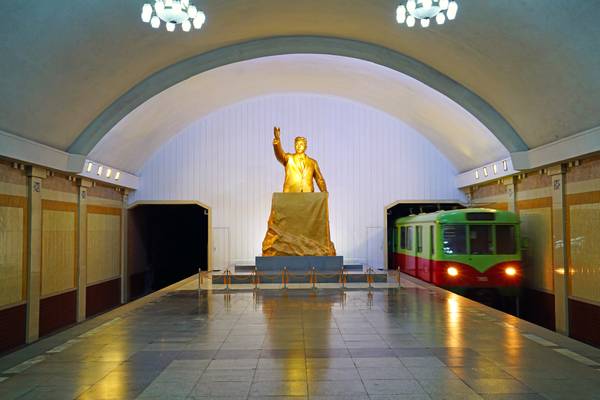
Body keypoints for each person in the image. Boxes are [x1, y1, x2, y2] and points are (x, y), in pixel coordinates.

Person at [272, 126, 327, 193]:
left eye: (301, 144)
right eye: (297, 144)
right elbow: (279, 155)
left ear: (305, 147)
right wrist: (277, 141)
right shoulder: (289, 158)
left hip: (308, 195)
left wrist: (324, 191)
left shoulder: (312, 162)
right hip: (290, 194)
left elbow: (319, 179)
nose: (299, 146)